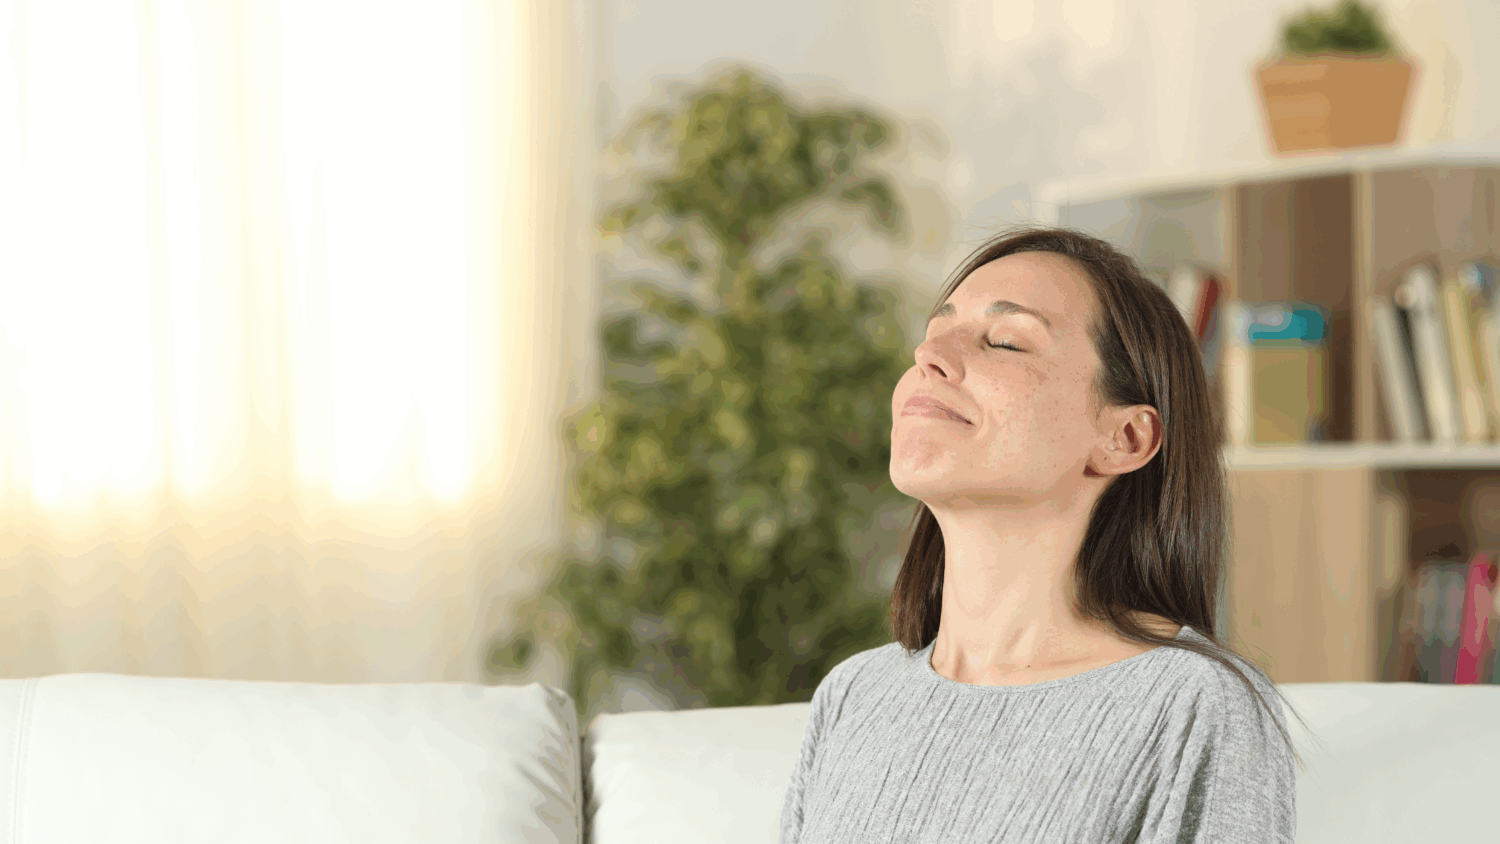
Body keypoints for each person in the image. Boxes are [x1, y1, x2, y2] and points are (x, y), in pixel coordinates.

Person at [779, 226, 1313, 843]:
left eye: (1005, 341)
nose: (931, 358)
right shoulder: (855, 696)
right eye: (931, 336)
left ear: (1125, 438)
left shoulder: (1192, 707)